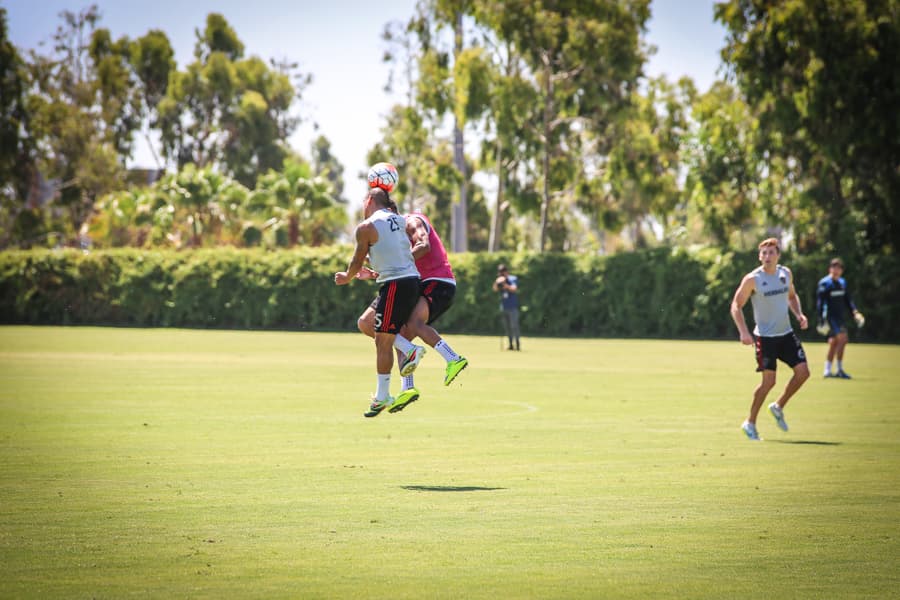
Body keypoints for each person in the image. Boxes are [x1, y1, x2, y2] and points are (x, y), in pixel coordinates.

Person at [357, 210, 468, 410]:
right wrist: (374, 273)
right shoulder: (397, 236)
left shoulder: (412, 221)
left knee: (414, 324)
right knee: (399, 332)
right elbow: (397, 266)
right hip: (422, 284)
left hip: (438, 281)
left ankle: (453, 358)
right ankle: (408, 388)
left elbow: (423, 246)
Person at [334, 187, 420, 418]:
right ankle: (386, 389)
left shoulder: (367, 227)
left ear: (369, 200)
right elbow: (394, 253)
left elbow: (356, 259)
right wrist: (372, 273)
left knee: (383, 341)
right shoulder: (399, 220)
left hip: (396, 285)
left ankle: (407, 356)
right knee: (367, 324)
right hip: (406, 282)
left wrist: (347, 276)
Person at [730, 237, 810, 441]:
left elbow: (792, 296)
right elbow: (736, 305)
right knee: (768, 382)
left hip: (786, 334)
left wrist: (799, 314)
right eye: (764, 253)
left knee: (803, 373)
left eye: (771, 252)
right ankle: (750, 423)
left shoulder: (785, 273)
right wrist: (744, 332)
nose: (767, 256)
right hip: (765, 338)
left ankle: (778, 406)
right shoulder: (753, 279)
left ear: (778, 255)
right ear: (759, 256)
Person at [816, 257, 865, 379]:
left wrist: (855, 312)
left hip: (840, 317)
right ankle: (839, 369)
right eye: (834, 267)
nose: (836, 270)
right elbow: (820, 303)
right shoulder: (824, 283)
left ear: (841, 270)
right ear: (830, 269)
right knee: (843, 339)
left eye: (838, 268)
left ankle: (828, 371)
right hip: (830, 318)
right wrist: (821, 319)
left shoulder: (842, 283)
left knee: (834, 343)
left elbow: (848, 300)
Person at [493, 264, 520, 351]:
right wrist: (497, 282)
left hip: (512, 307)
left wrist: (505, 285)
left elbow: (514, 289)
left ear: (506, 272)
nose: (501, 274)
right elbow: (495, 289)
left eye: (502, 272)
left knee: (514, 326)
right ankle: (511, 345)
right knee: (507, 327)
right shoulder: (500, 280)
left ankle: (517, 344)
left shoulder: (512, 279)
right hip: (504, 307)